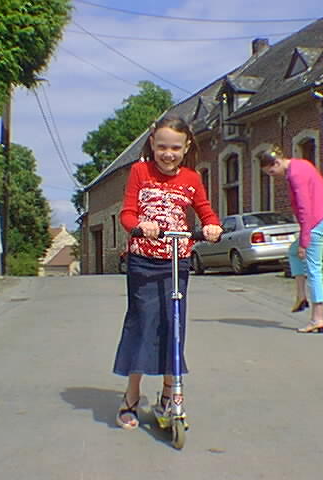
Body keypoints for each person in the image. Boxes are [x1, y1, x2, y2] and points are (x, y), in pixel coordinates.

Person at [113, 115, 222, 430]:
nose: (168, 154)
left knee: (173, 323)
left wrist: (212, 226)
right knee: (142, 323)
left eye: (175, 148)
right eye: (162, 147)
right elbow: (127, 213)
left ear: (186, 147)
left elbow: (205, 211)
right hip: (144, 261)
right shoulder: (140, 171)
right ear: (152, 144)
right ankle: (132, 395)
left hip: (177, 261)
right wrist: (139, 225)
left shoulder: (191, 178)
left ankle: (167, 394)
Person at [260, 147, 323, 334]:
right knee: (293, 252)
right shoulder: (301, 165)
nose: (273, 176)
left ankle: (317, 318)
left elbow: (304, 209)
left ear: (277, 163)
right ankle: (301, 296)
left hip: (316, 221)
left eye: (271, 172)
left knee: (313, 269)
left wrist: (304, 241)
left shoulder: (295, 175)